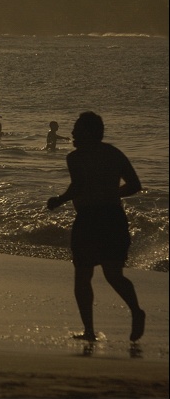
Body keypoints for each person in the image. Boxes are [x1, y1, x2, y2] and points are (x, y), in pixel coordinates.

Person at [46, 111, 145, 343]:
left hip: (91, 220)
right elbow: (135, 185)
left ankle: (90, 331)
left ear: (90, 133)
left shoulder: (76, 158)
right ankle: (136, 311)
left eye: (77, 128)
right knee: (113, 275)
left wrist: (57, 201)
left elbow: (77, 187)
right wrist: (112, 193)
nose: (72, 132)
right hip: (113, 217)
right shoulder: (114, 153)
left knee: (83, 276)